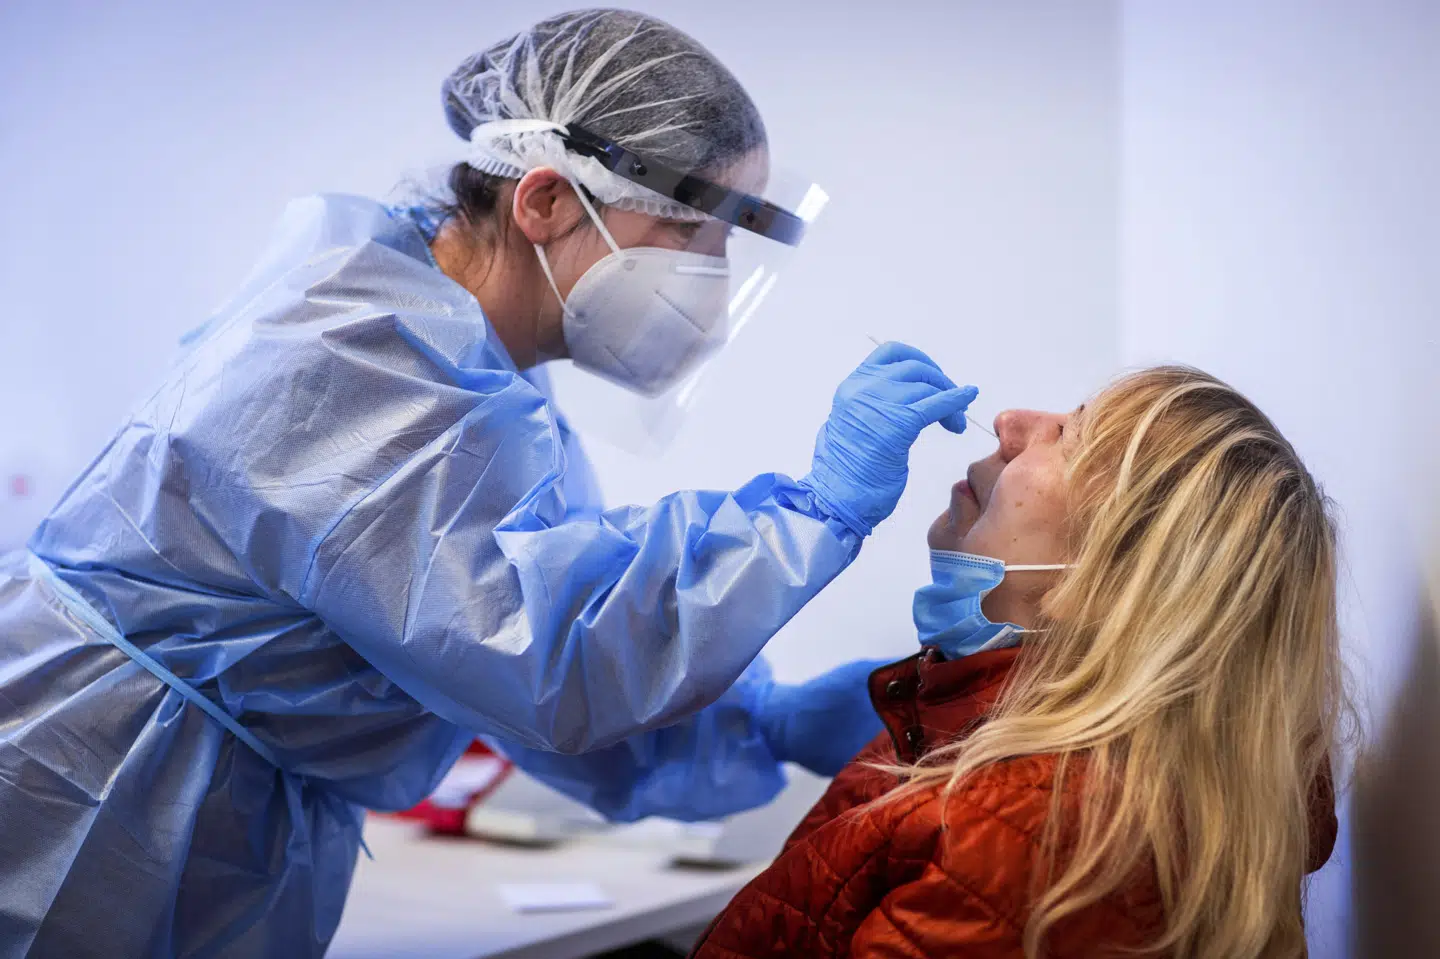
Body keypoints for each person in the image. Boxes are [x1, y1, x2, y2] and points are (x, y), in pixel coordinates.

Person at [0, 10, 977, 958]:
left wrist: (755, 722)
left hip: (193, 816)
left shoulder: (477, 388)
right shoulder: (352, 361)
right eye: (693, 233)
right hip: (81, 791)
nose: (711, 278)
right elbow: (543, 661)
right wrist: (812, 513)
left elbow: (505, 664)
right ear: (545, 200)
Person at [692, 367, 1346, 959]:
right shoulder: (1036, 781)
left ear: (1104, 584)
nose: (1008, 424)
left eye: (1072, 438)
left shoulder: (1033, 835)